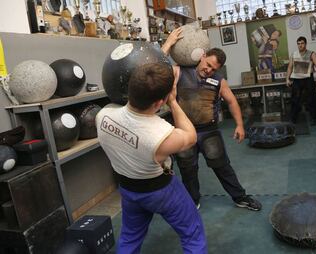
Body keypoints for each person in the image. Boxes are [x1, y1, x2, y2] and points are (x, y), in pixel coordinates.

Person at [96, 62, 207, 253]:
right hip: (160, 190)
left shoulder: (103, 115)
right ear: (158, 103)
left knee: (129, 237)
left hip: (128, 189)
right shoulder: (160, 135)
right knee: (192, 233)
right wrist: (172, 101)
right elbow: (191, 136)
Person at [162, 28, 262, 211]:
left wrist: (239, 125)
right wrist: (168, 43)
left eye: (213, 69)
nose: (208, 70)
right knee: (187, 169)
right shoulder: (178, 71)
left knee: (222, 166)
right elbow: (157, 66)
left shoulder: (218, 80)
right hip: (184, 132)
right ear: (203, 56)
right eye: (207, 64)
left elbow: (231, 102)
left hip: (209, 131)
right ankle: (192, 201)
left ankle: (240, 197)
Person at [286, 36, 316, 126]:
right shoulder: (294, 54)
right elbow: (290, 67)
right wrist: (287, 78)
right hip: (297, 80)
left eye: (302, 43)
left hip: (308, 79)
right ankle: (293, 118)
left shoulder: (312, 54)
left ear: (305, 44)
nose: (300, 45)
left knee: (311, 99)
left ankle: (313, 118)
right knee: (295, 100)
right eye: (298, 44)